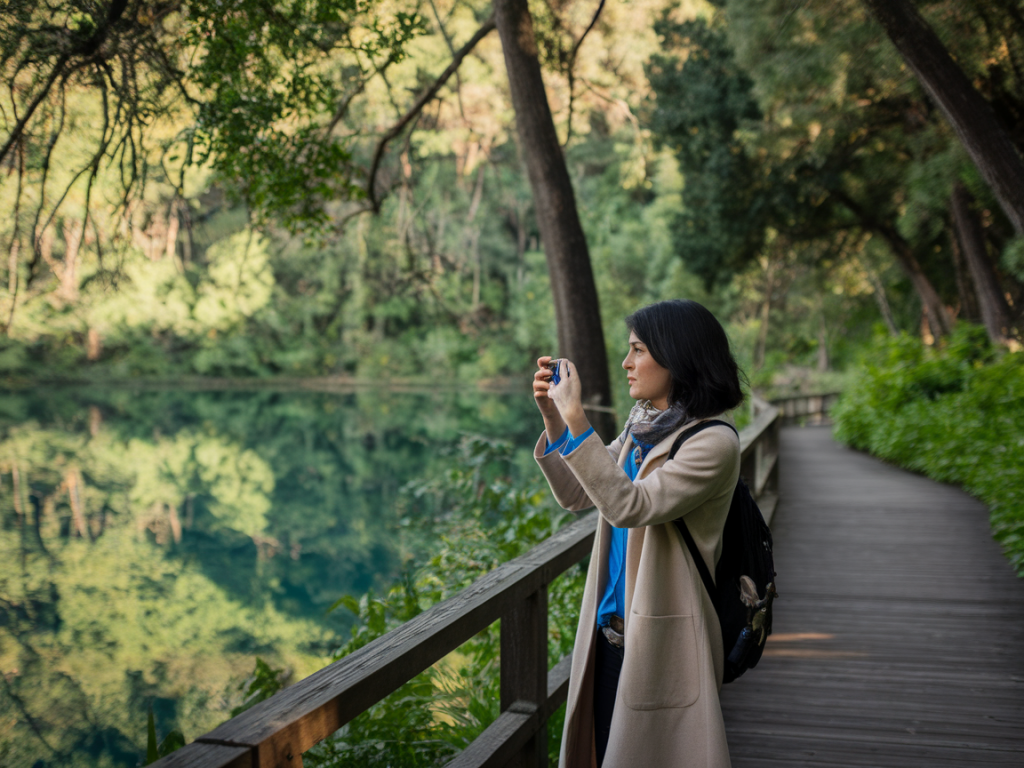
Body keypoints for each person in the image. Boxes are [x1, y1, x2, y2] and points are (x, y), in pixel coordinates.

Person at [532, 299, 744, 768]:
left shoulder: (713, 442)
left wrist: (578, 417)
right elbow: (577, 493)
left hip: (661, 642)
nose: (626, 363)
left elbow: (630, 506)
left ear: (677, 355)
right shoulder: (643, 426)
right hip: (610, 635)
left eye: (638, 350)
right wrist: (554, 417)